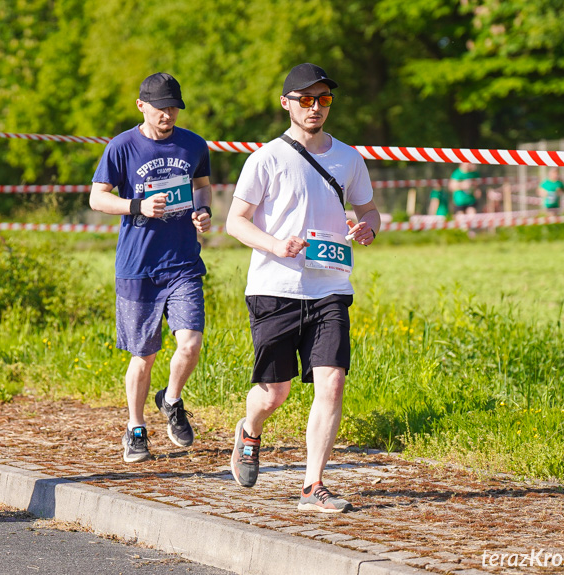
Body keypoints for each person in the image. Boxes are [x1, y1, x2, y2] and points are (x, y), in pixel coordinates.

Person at [225, 63, 381, 513]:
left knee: (331, 382)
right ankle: (250, 430)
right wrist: (276, 244)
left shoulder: (349, 158)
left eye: (324, 100)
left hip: (330, 285)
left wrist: (368, 228)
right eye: (306, 99)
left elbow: (368, 210)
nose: (315, 108)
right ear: (286, 103)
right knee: (275, 392)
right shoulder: (266, 158)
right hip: (275, 286)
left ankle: (313, 486)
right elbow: (236, 221)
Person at [89, 72, 212, 463]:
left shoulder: (193, 144)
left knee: (190, 344)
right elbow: (96, 198)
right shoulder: (122, 147)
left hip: (183, 263)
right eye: (162, 108)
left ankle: (171, 399)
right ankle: (135, 427)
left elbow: (203, 185)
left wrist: (204, 210)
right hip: (138, 267)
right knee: (143, 355)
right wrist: (136, 206)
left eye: (174, 108)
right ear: (141, 105)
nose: (169, 115)